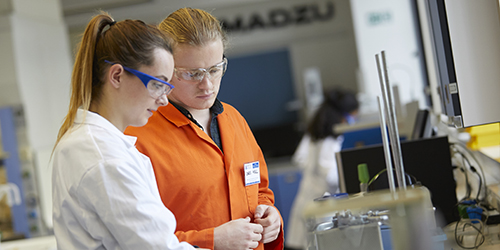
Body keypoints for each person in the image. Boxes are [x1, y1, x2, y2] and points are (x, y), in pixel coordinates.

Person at [125, 7, 284, 250]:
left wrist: (270, 215)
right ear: (164, 68)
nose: (207, 85)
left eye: (214, 69)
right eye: (192, 74)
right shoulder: (137, 137)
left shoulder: (234, 120)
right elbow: (139, 238)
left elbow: (260, 190)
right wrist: (212, 241)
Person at [51, 13, 206, 250]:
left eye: (167, 87)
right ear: (116, 76)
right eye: (157, 84)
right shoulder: (103, 156)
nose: (164, 100)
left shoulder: (89, 142)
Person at [285, 89, 359, 250]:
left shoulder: (315, 134)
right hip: (320, 207)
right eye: (352, 116)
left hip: (308, 200)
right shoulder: (330, 140)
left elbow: (300, 158)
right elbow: (328, 173)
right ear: (344, 114)